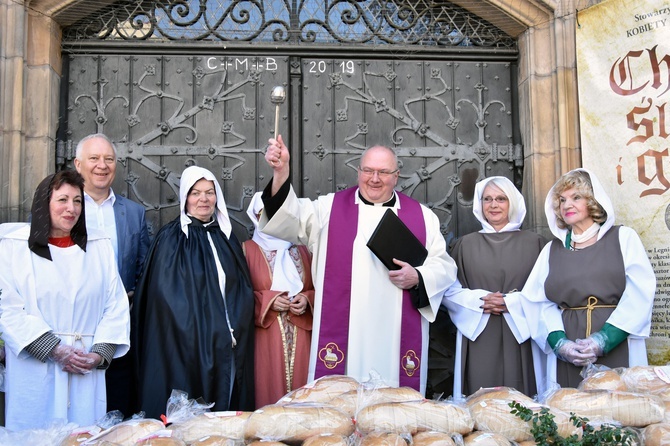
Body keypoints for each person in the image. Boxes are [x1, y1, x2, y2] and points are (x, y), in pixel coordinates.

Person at [260, 136, 457, 394]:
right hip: (344, 338)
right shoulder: (328, 209)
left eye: (384, 172)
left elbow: (444, 267)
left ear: (396, 176)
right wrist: (281, 172)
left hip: (394, 335)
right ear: (358, 172)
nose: (374, 178)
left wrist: (418, 277)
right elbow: (290, 217)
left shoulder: (422, 217)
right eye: (368, 170)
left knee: (393, 408)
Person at [0, 170, 130, 431]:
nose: (71, 209)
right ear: (43, 203)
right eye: (62, 200)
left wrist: (98, 355)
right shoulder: (13, 247)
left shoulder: (99, 247)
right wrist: (54, 349)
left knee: (82, 433)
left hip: (85, 368)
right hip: (35, 368)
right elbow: (7, 309)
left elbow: (115, 305)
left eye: (78, 201)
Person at [132, 165, 255, 418]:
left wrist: (234, 323)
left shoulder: (227, 236)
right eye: (196, 193)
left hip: (228, 342)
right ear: (185, 197)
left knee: (226, 404)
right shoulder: (171, 239)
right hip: (187, 344)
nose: (203, 199)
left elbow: (240, 286)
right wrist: (203, 328)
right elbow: (166, 299)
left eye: (209, 192)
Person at [519, 168, 656, 390]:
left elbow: (640, 292)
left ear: (593, 201)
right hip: (569, 343)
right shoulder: (551, 250)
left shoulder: (623, 238)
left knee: (621, 410)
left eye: (576, 197)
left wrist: (604, 340)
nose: (566, 205)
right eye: (562, 200)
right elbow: (537, 302)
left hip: (619, 340)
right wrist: (559, 343)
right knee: (571, 412)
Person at [442, 176, 547, 398]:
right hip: (479, 330)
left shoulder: (536, 244)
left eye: (501, 199)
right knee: (481, 399)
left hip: (521, 330)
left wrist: (513, 303)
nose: (493, 205)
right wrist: (479, 301)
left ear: (513, 203)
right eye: (487, 199)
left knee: (523, 396)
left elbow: (547, 290)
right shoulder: (464, 245)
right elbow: (449, 290)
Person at [74, 133, 150, 417]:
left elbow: (144, 267)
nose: (102, 165)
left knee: (117, 405)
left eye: (109, 159)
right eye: (94, 158)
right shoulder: (60, 208)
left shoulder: (133, 213)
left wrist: (132, 297)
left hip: (118, 329)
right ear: (78, 164)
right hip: (72, 327)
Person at [243, 192, 315, 407]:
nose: (272, 220)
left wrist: (307, 298)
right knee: (268, 389)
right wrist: (268, 300)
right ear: (256, 216)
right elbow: (238, 295)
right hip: (265, 336)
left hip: (302, 332)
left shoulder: (303, 249)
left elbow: (317, 287)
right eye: (265, 214)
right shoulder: (246, 250)